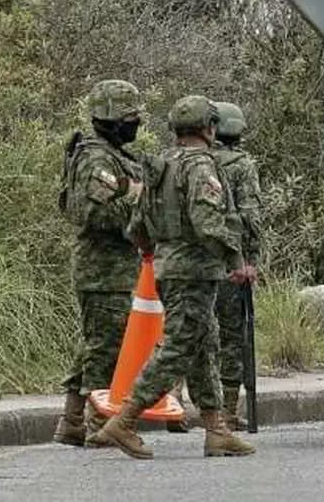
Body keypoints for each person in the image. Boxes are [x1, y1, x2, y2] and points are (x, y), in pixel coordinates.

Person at [89, 95, 256, 459]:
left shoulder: (161, 163)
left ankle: (217, 429)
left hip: (167, 266)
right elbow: (207, 221)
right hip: (195, 270)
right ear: (209, 128)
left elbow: (137, 223)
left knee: (203, 346)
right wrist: (236, 257)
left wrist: (152, 250)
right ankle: (126, 419)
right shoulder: (201, 166)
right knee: (179, 347)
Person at [53, 80, 145, 446]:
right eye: (129, 117)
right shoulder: (96, 158)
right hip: (103, 269)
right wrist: (139, 203)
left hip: (114, 268)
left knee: (97, 342)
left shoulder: (113, 155)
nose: (135, 124)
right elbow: (95, 214)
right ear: (109, 117)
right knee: (106, 347)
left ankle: (72, 421)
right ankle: (99, 422)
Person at [212, 101, 262, 430]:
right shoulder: (242, 165)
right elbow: (250, 216)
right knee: (232, 336)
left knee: (189, 333)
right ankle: (228, 411)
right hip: (231, 260)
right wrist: (252, 259)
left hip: (191, 261)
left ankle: (179, 398)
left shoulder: (192, 160)